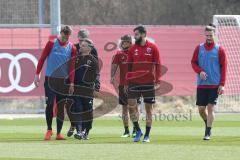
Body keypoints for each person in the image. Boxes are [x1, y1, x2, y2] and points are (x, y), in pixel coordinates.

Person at [34, 25, 76, 140]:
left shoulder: (72, 48)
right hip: (50, 80)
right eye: (63, 37)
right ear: (60, 33)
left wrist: (71, 82)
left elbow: (72, 67)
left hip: (63, 82)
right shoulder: (51, 44)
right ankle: (49, 130)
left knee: (61, 107)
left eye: (67, 38)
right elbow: (42, 58)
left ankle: (58, 133)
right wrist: (37, 74)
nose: (65, 40)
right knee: (50, 104)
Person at [191, 23, 227, 140]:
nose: (209, 38)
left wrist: (222, 84)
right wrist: (200, 71)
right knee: (201, 109)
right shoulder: (199, 48)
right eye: (207, 36)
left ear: (214, 35)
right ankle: (207, 123)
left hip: (214, 84)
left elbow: (224, 67)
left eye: (210, 35)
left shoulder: (219, 50)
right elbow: (193, 62)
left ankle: (208, 132)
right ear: (204, 35)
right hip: (201, 85)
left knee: (211, 107)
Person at [127, 25, 161, 142]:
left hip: (148, 82)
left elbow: (158, 65)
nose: (134, 37)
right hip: (134, 82)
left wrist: (158, 80)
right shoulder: (132, 49)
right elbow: (129, 66)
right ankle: (138, 130)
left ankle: (147, 135)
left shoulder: (153, 48)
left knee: (148, 110)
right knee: (131, 106)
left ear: (143, 34)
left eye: (136, 34)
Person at [67, 29, 100, 138]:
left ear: (89, 48)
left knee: (88, 111)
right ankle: (79, 131)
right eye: (81, 44)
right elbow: (71, 72)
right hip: (77, 88)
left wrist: (96, 88)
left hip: (88, 89)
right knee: (78, 109)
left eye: (83, 45)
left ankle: (86, 132)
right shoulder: (76, 59)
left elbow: (96, 75)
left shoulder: (94, 60)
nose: (80, 46)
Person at [111, 35, 139, 138]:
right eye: (123, 41)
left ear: (130, 42)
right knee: (124, 108)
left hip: (134, 85)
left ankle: (136, 129)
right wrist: (112, 76)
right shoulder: (119, 54)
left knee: (135, 107)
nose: (124, 43)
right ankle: (126, 130)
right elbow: (114, 65)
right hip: (122, 85)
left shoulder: (135, 53)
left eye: (126, 41)